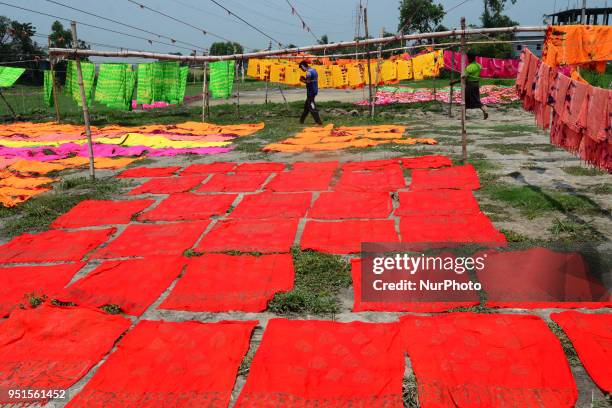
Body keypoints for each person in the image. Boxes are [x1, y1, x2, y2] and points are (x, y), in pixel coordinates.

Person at [452, 51, 488, 119]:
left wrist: (454, 82)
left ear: (470, 58)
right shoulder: (478, 65)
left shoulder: (470, 67)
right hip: (476, 84)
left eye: (468, 58)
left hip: (470, 85)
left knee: (465, 100)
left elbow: (464, 77)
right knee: (476, 99)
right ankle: (484, 110)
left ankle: (463, 115)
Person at [298, 60, 322, 125]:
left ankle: (318, 122)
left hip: (311, 91)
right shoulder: (314, 70)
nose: (301, 69)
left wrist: (302, 80)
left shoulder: (308, 72)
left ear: (303, 66)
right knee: (306, 107)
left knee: (312, 106)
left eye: (301, 67)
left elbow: (308, 82)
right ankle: (301, 121)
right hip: (314, 90)